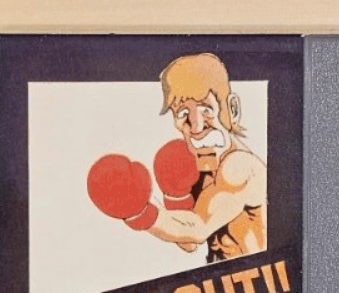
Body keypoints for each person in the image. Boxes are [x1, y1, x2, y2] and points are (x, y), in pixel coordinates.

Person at [87, 53, 266, 262]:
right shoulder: (202, 166)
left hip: (261, 275)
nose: (196, 126)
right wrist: (176, 196)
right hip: (225, 275)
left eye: (206, 110)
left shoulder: (242, 166)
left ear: (232, 109)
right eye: (183, 114)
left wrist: (138, 213)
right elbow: (188, 242)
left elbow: (198, 228)